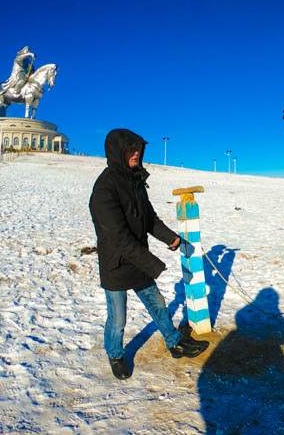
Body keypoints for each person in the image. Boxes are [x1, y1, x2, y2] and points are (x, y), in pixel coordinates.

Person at [89, 128, 209, 380]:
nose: (135, 153)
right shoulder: (104, 189)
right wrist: (152, 263)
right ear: (117, 152)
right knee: (118, 317)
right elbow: (117, 237)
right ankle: (115, 354)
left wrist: (170, 238)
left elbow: (149, 219)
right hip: (116, 263)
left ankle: (174, 342)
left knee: (157, 304)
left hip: (137, 259)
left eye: (138, 149)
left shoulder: (134, 181)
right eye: (130, 150)